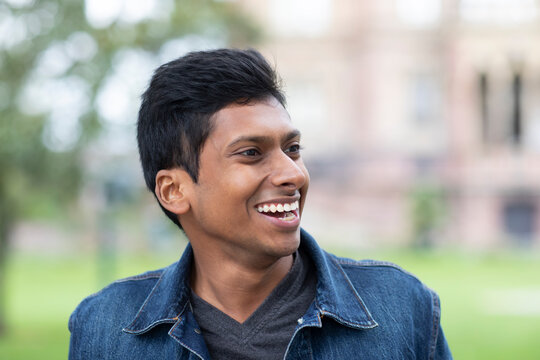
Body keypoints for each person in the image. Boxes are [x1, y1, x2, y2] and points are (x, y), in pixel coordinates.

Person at [69, 48, 452, 359]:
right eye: (251, 153)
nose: (294, 175)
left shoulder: (402, 309)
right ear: (173, 191)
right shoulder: (105, 328)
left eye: (293, 149)